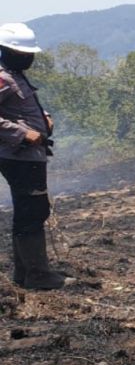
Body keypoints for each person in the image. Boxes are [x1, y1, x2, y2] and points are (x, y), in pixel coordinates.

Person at [0, 22, 73, 290]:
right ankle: (38, 275)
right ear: (8, 52)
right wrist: (22, 133)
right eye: (23, 53)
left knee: (28, 212)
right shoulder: (4, 77)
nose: (28, 57)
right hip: (19, 155)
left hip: (29, 155)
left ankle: (24, 274)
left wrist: (42, 119)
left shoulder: (15, 75)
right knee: (32, 211)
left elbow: (16, 108)